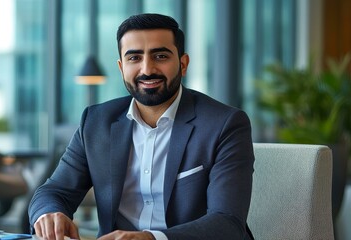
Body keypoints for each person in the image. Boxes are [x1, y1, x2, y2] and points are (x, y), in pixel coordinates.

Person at [29, 13, 254, 240]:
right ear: (121, 67)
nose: (147, 69)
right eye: (134, 58)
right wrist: (49, 213)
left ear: (183, 64)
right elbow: (54, 191)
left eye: (160, 56)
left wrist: (151, 238)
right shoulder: (96, 122)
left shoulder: (225, 124)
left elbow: (227, 222)